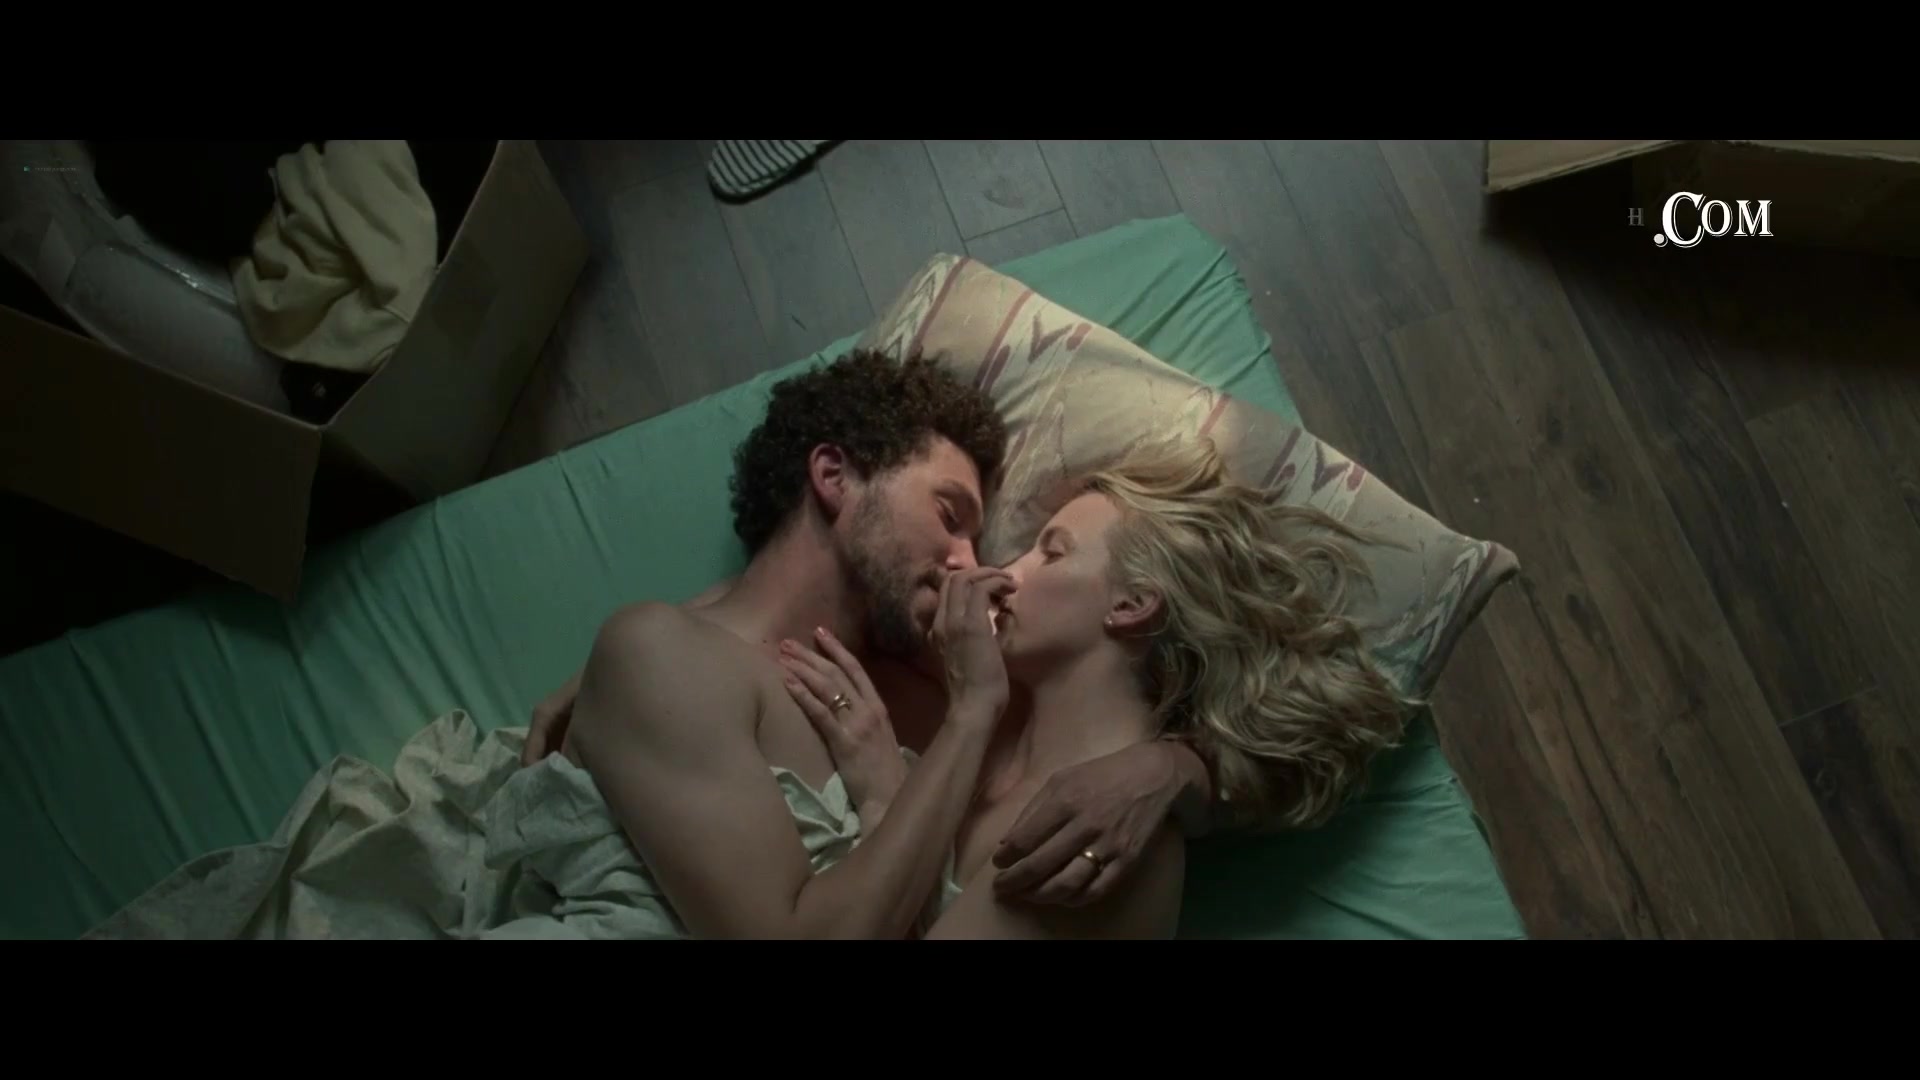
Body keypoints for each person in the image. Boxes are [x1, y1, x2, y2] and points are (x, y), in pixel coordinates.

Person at [523, 348, 1221, 936]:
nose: (970, 563)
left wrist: (1169, 768)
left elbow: (1250, 734)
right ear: (834, 477)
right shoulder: (662, 653)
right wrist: (969, 716)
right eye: (948, 515)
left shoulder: (932, 681)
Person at [774, 436, 1411, 937]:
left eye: (1051, 552)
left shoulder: (1108, 836)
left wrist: (883, 798)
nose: (1005, 571)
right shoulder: (994, 749)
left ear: (1132, 604)